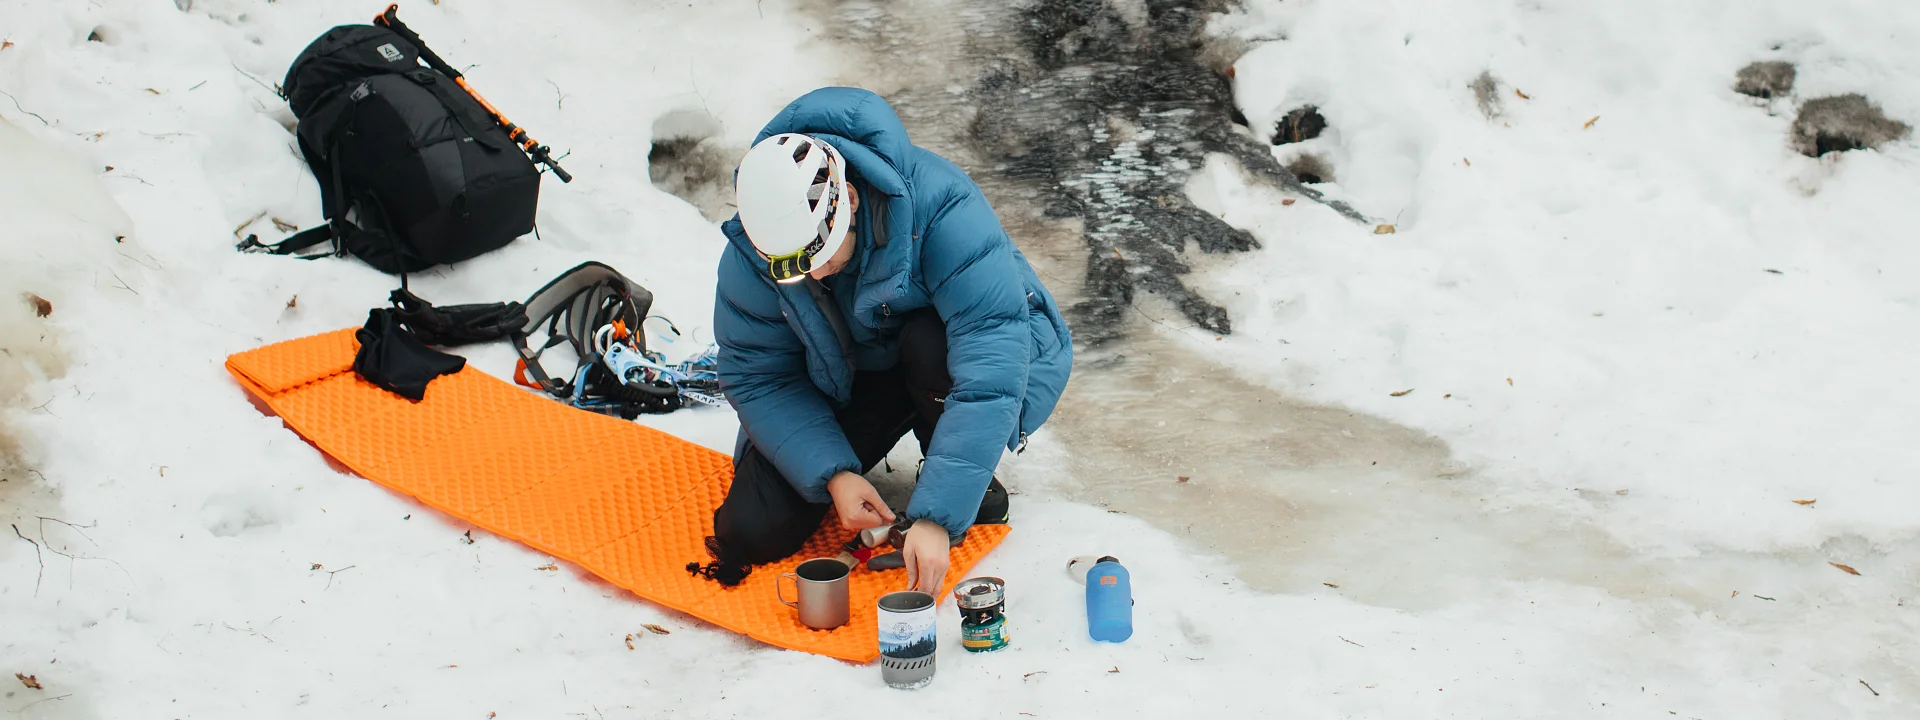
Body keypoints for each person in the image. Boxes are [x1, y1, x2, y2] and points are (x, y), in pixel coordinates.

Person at [706, 87, 1073, 593]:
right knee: (750, 531)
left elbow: (992, 362)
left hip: (947, 365)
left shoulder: (943, 206)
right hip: (858, 375)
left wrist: (938, 517)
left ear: (849, 202)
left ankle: (951, 459)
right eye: (797, 268)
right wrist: (834, 475)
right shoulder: (755, 245)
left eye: (823, 254)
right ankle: (911, 452)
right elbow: (758, 376)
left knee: (931, 341)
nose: (815, 275)